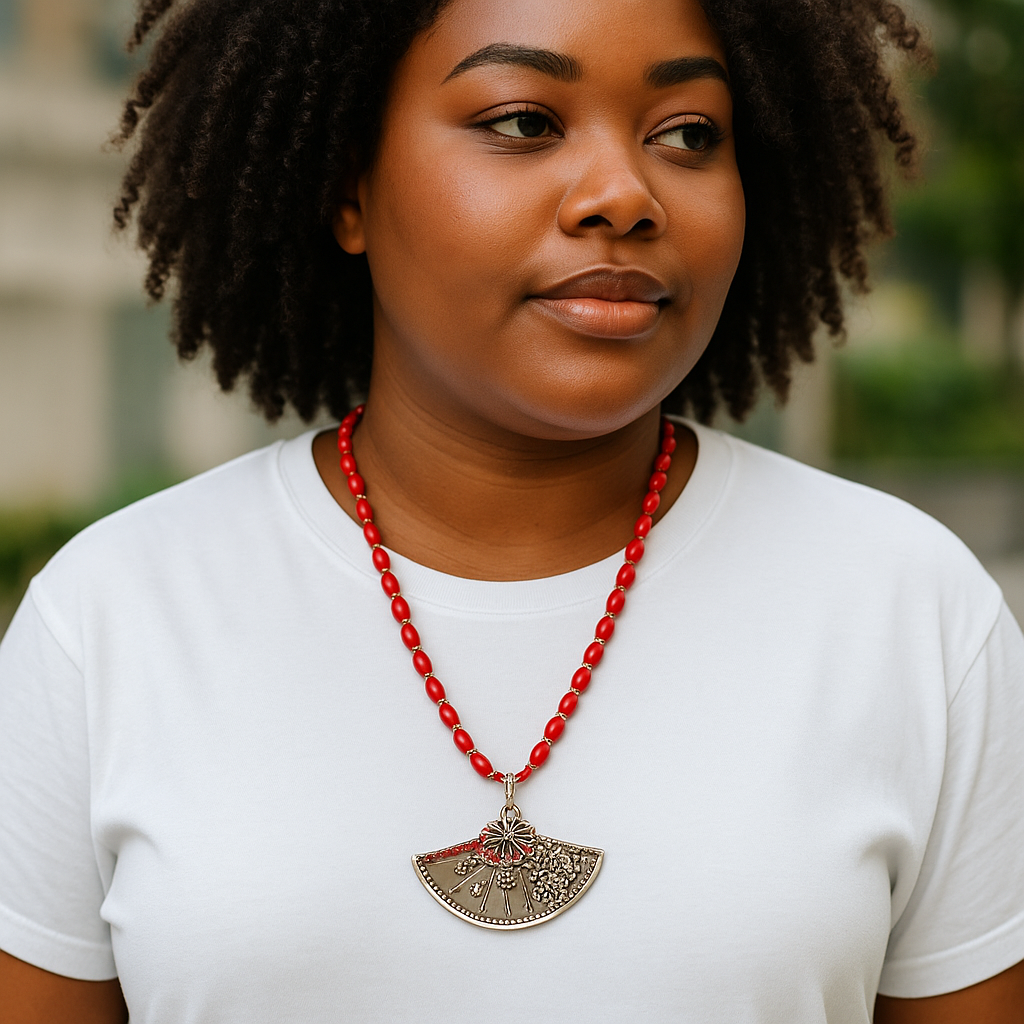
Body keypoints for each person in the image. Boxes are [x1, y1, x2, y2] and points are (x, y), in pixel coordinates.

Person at [1, 0, 1023, 1020]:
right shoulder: (112, 618)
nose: (624, 195)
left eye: (688, 135)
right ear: (346, 183)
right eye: (524, 122)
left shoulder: (908, 609)